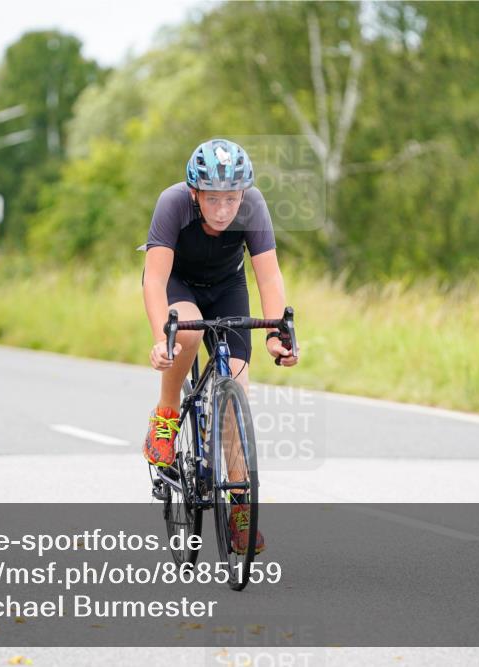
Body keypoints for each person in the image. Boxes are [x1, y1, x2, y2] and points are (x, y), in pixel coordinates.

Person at [141, 138, 298, 555]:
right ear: (195, 193)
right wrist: (162, 339)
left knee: (236, 398)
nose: (224, 209)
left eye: (232, 198)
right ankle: (167, 415)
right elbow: (155, 280)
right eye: (213, 199)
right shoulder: (172, 203)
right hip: (180, 284)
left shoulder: (254, 205)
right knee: (188, 334)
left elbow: (268, 277)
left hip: (228, 288)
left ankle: (241, 517)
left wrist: (276, 337)